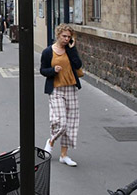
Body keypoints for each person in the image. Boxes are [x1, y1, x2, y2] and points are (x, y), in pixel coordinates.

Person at [40, 23, 83, 167]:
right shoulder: (48, 52)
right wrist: (53, 70)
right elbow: (43, 70)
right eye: (64, 36)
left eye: (69, 37)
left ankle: (64, 155)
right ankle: (50, 142)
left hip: (70, 88)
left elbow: (77, 65)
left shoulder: (70, 50)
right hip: (56, 89)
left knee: (71, 123)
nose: (66, 39)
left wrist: (72, 50)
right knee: (61, 122)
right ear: (58, 35)